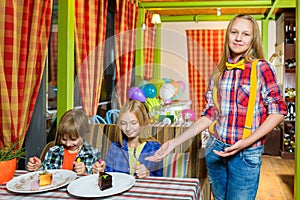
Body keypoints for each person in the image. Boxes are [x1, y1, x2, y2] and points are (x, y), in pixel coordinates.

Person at [146, 15, 287, 200]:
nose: (238, 38)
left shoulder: (261, 68)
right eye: (234, 32)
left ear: (253, 39)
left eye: (246, 34)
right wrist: (174, 143)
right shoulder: (219, 73)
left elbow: (278, 112)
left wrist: (245, 143)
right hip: (216, 149)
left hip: (245, 154)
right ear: (228, 35)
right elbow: (210, 114)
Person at [93, 100, 163, 178]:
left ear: (143, 122)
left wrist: (148, 174)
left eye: (133, 123)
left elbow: (160, 180)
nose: (128, 128)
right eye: (123, 123)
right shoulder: (115, 148)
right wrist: (101, 172)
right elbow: (108, 177)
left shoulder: (155, 148)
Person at [26, 109, 106, 175]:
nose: (68, 144)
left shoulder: (93, 154)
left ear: (84, 134)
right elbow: (45, 174)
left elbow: (97, 178)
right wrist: (38, 167)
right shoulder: (53, 152)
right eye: (64, 139)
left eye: (73, 139)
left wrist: (87, 171)